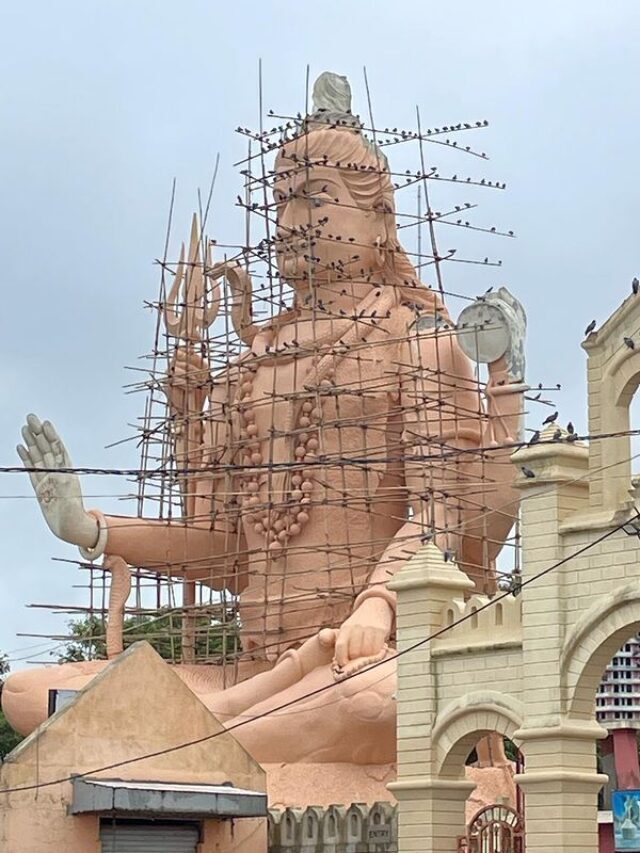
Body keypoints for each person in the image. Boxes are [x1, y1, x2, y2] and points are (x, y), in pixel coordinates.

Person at [4, 73, 526, 766]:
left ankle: (163, 738)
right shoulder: (249, 373)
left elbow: (440, 513)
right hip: (256, 672)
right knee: (25, 689)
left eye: (317, 198)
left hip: (366, 659)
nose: (290, 223)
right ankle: (193, 734)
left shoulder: (420, 340)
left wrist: (376, 607)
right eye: (281, 202)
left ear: (379, 221)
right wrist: (92, 528)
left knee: (382, 699)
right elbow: (227, 547)